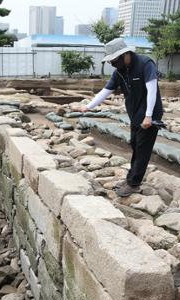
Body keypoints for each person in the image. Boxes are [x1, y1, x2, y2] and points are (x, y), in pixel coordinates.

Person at [76, 38, 164, 197]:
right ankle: (131, 178)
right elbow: (106, 91)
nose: (113, 65)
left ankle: (133, 183)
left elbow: (152, 90)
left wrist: (149, 116)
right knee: (135, 144)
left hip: (150, 113)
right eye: (111, 62)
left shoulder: (145, 64)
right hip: (135, 113)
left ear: (125, 55)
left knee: (143, 147)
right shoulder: (120, 73)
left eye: (115, 61)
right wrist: (88, 106)